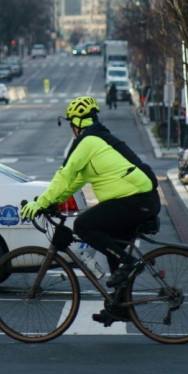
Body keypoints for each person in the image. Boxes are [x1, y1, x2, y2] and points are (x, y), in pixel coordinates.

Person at [21, 96, 161, 324]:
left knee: (83, 226)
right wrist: (53, 202)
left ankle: (130, 263)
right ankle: (120, 307)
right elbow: (73, 182)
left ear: (76, 123)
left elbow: (64, 174)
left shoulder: (88, 142)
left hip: (137, 200)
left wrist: (39, 203)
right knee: (114, 247)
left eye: (71, 125)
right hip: (140, 200)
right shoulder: (97, 140)